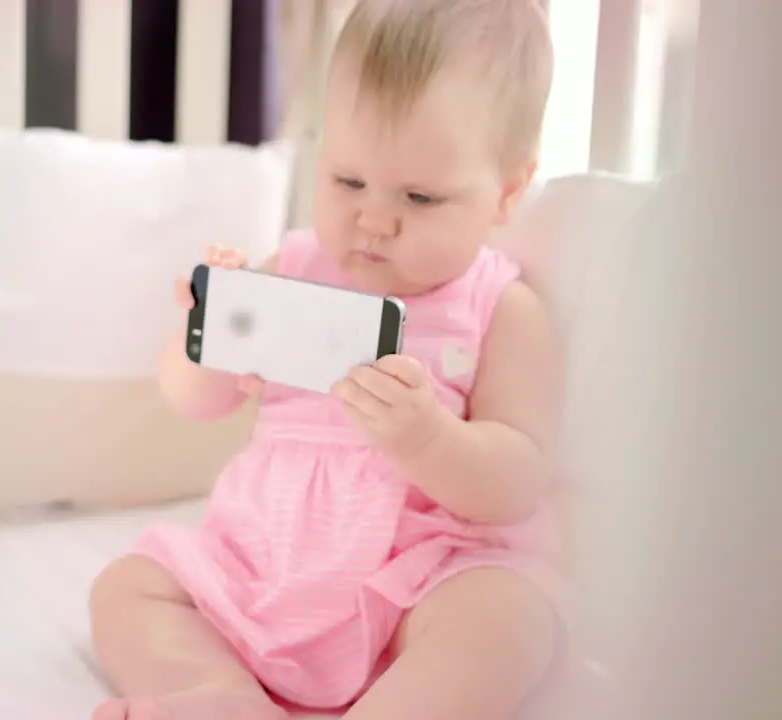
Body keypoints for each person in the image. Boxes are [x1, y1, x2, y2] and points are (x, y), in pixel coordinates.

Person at [90, 1, 564, 717]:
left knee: (508, 620)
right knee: (127, 588)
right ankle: (222, 695)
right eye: (347, 182)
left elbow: (518, 481)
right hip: (261, 564)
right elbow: (195, 400)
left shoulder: (500, 307)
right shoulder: (297, 267)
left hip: (411, 580)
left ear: (507, 192)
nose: (373, 219)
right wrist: (204, 336)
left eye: (420, 195)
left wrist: (429, 438)